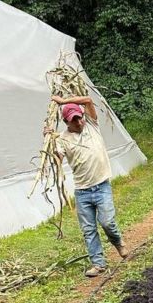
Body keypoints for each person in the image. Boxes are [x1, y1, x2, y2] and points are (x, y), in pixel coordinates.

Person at [49, 95, 127, 277]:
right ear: (66, 122)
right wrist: (50, 143)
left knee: (107, 222)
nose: (78, 122)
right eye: (74, 120)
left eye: (79, 117)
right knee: (88, 230)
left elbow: (88, 100)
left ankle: (118, 242)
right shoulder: (62, 139)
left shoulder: (92, 125)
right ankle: (98, 263)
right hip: (82, 191)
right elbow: (58, 160)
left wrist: (63, 101)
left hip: (102, 186)